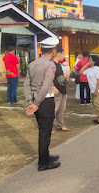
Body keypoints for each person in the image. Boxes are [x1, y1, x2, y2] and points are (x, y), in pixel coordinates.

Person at [23, 36, 60, 171]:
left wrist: (30, 101)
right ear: (53, 51)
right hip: (45, 101)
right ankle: (43, 163)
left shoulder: (33, 64)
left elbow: (26, 84)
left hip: (36, 101)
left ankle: (46, 155)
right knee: (45, 133)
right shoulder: (50, 65)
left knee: (43, 130)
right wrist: (37, 103)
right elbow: (45, 86)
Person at [53, 48, 74, 133]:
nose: (63, 56)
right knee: (54, 109)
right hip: (56, 90)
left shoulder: (59, 65)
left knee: (61, 109)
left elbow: (61, 77)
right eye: (62, 54)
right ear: (58, 54)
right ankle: (48, 127)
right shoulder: (52, 65)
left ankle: (60, 125)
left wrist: (70, 71)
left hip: (62, 89)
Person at [80, 55, 99, 124]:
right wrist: (86, 65)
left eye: (90, 60)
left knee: (97, 104)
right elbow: (81, 72)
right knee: (95, 104)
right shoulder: (89, 69)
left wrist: (96, 90)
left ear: (94, 61)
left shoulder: (97, 69)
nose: (89, 61)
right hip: (92, 89)